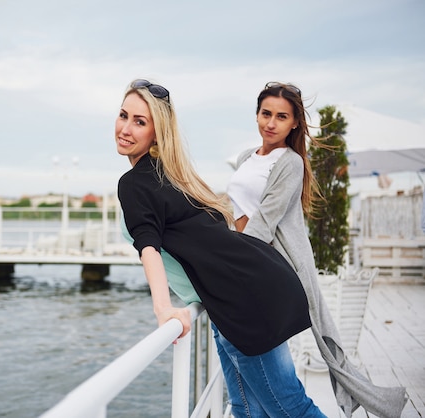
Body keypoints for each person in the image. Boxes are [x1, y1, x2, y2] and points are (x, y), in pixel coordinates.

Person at [115, 78, 326, 417]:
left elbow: (149, 247)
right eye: (123, 115)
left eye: (140, 121)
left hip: (244, 299)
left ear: (157, 132)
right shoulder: (170, 176)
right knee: (243, 407)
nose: (125, 128)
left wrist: (163, 310)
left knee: (291, 409)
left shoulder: (136, 183)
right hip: (238, 294)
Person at [227, 82, 407, 417]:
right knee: (247, 392)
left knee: (282, 394)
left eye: (282, 116)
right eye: (266, 113)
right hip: (249, 263)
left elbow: (265, 221)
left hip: (269, 267)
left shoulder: (291, 163)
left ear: (294, 123)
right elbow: (237, 211)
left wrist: (231, 269)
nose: (271, 123)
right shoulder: (244, 158)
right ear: (256, 114)